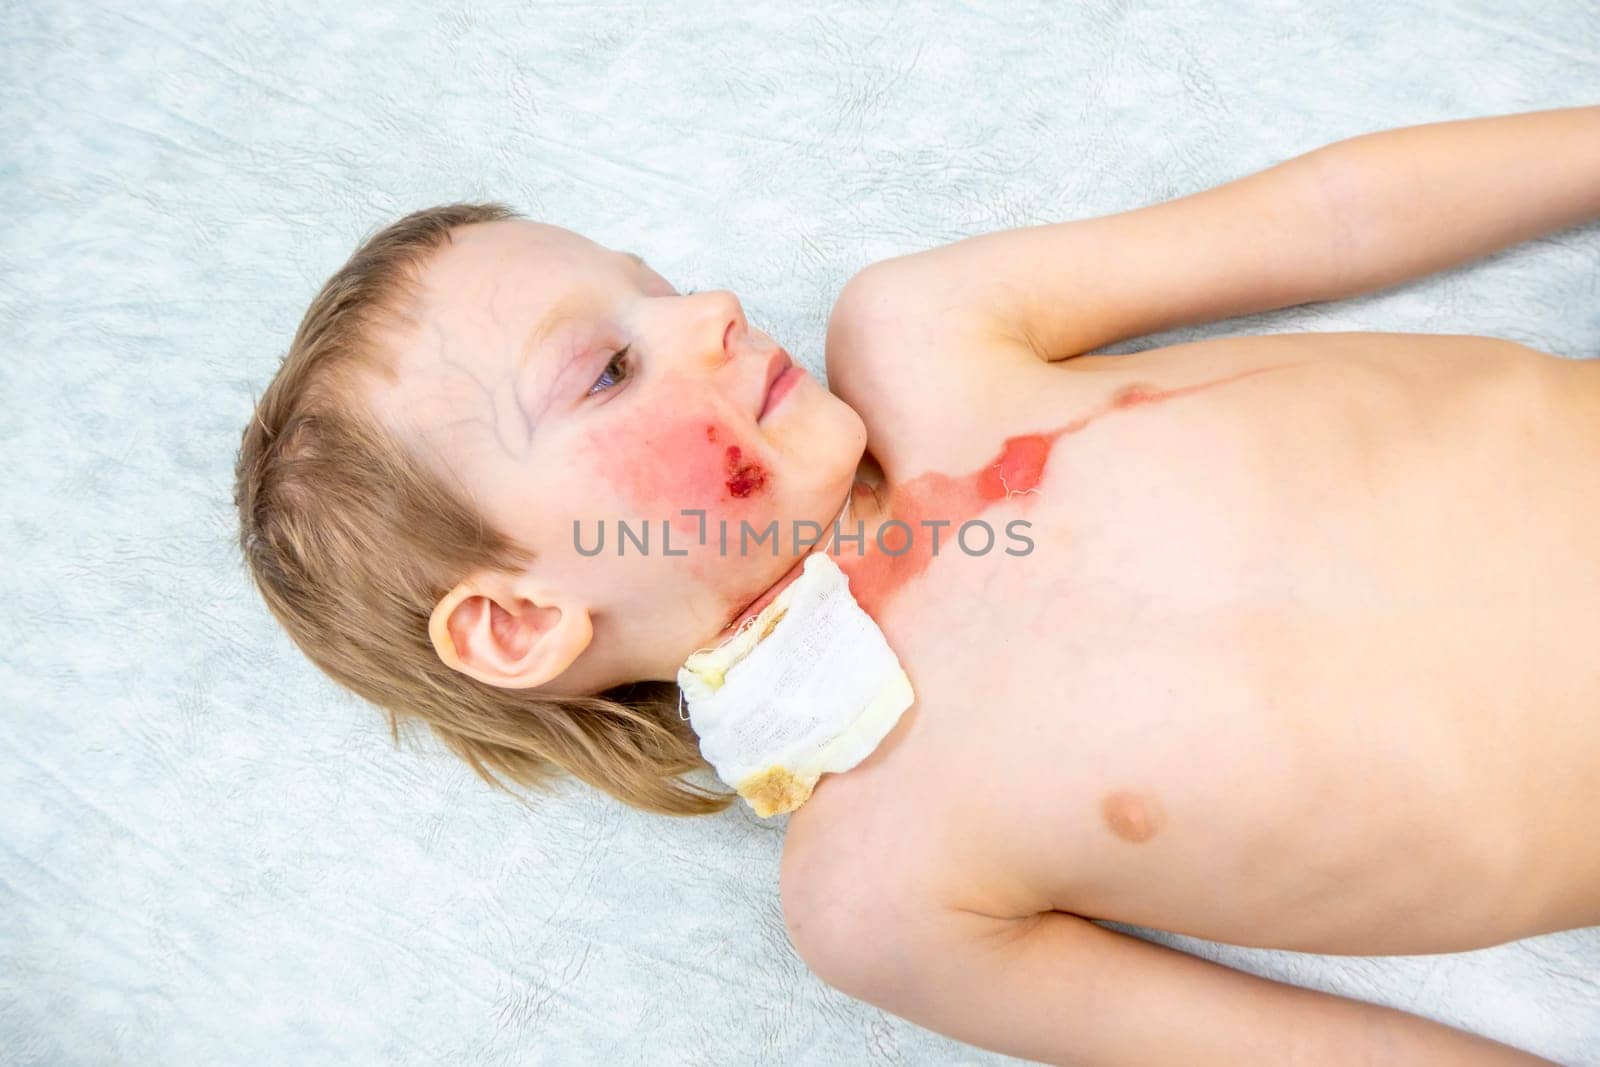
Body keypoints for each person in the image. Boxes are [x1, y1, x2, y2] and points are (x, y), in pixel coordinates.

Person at [234, 104, 1600, 1063]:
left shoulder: (927, 339)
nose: (704, 308)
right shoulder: (881, 890)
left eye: (648, 284)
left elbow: (1327, 214)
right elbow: (1308, 1056)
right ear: (521, 619)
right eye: (606, 369)